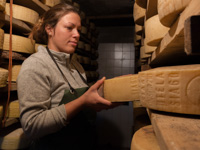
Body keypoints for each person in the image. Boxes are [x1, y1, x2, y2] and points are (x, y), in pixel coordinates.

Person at [17, 2, 118, 150]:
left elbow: (83, 105)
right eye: (69, 28)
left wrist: (108, 94)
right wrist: (83, 101)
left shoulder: (76, 65)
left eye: (78, 29)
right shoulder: (36, 66)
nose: (77, 34)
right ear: (50, 30)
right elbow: (31, 126)